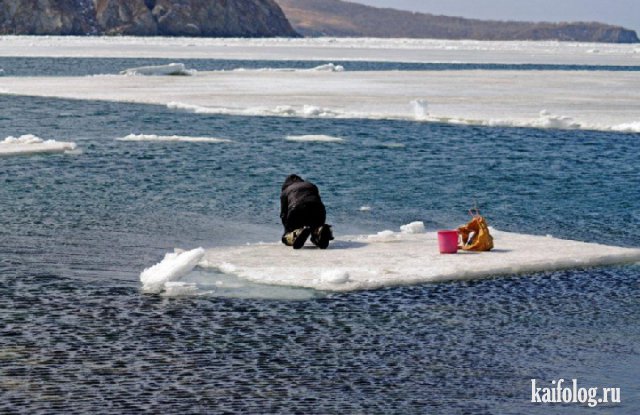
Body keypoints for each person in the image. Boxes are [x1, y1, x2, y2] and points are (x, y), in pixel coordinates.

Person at [280, 174, 334, 249]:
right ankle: (320, 231)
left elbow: (283, 214)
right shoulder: (310, 185)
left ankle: (296, 234)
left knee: (286, 239)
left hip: (297, 210)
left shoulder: (286, 191)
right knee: (316, 230)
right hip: (318, 210)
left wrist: (288, 231)